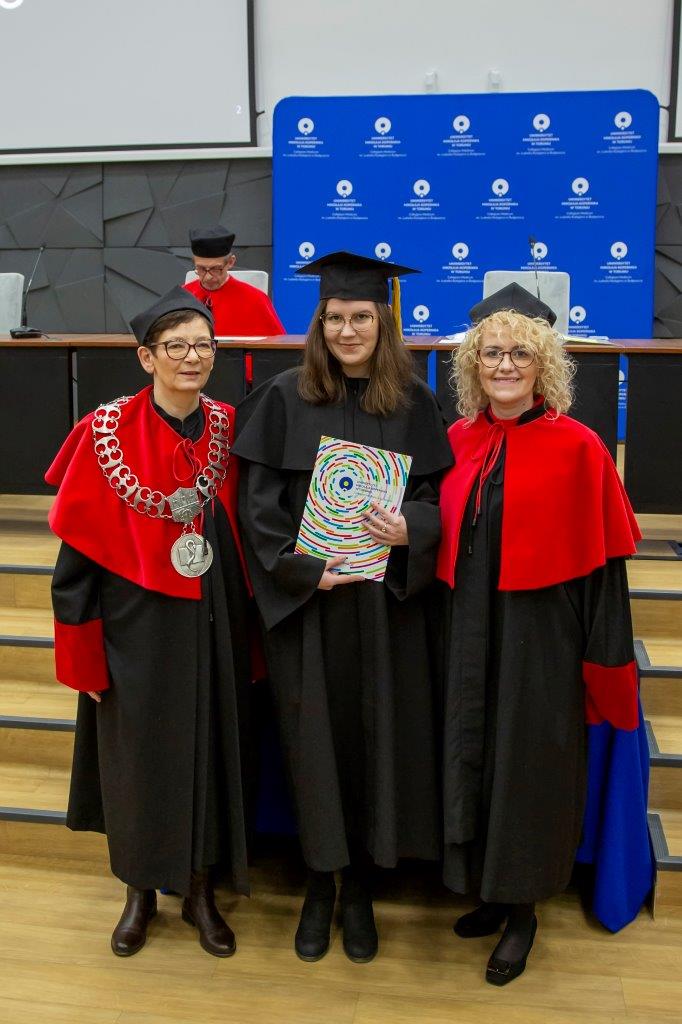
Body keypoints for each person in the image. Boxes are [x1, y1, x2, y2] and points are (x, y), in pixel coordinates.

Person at [232, 251, 452, 964]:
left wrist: (411, 530)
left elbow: (436, 500)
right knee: (312, 745)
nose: (348, 330)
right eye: (335, 318)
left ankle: (358, 884)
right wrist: (299, 570)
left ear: (384, 323)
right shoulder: (282, 398)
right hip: (311, 610)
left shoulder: (414, 402)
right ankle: (320, 883)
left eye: (361, 317)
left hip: (385, 609)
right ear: (318, 324)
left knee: (374, 742)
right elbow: (256, 507)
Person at [437, 283, 643, 985]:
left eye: (520, 353)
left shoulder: (579, 446)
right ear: (473, 364)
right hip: (469, 629)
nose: (504, 365)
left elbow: (605, 571)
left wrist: (604, 662)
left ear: (543, 364)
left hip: (543, 636)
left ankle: (523, 910)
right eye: (492, 353)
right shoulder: (458, 441)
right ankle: (490, 891)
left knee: (528, 765)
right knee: (474, 752)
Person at [46, 286, 252, 958]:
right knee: (135, 763)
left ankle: (199, 890)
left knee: (209, 754)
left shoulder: (229, 426)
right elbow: (74, 566)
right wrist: (82, 658)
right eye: (176, 346)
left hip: (211, 622)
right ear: (146, 357)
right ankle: (138, 892)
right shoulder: (103, 432)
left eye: (203, 345)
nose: (192, 357)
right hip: (132, 630)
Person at [184, 224, 285, 336]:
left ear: (230, 262)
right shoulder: (181, 296)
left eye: (216, 269)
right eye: (201, 269)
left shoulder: (255, 299)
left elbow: (278, 343)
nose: (208, 277)